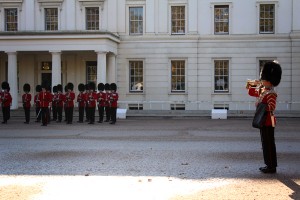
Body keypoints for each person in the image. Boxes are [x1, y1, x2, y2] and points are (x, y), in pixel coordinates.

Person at [246, 61, 282, 174]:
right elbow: (251, 92)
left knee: (269, 144)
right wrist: (254, 83)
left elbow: (271, 107)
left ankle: (272, 166)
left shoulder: (271, 93)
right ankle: (268, 164)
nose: (263, 81)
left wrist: (261, 105)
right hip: (263, 121)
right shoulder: (264, 90)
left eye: (264, 79)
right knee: (265, 144)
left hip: (268, 121)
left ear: (270, 81)